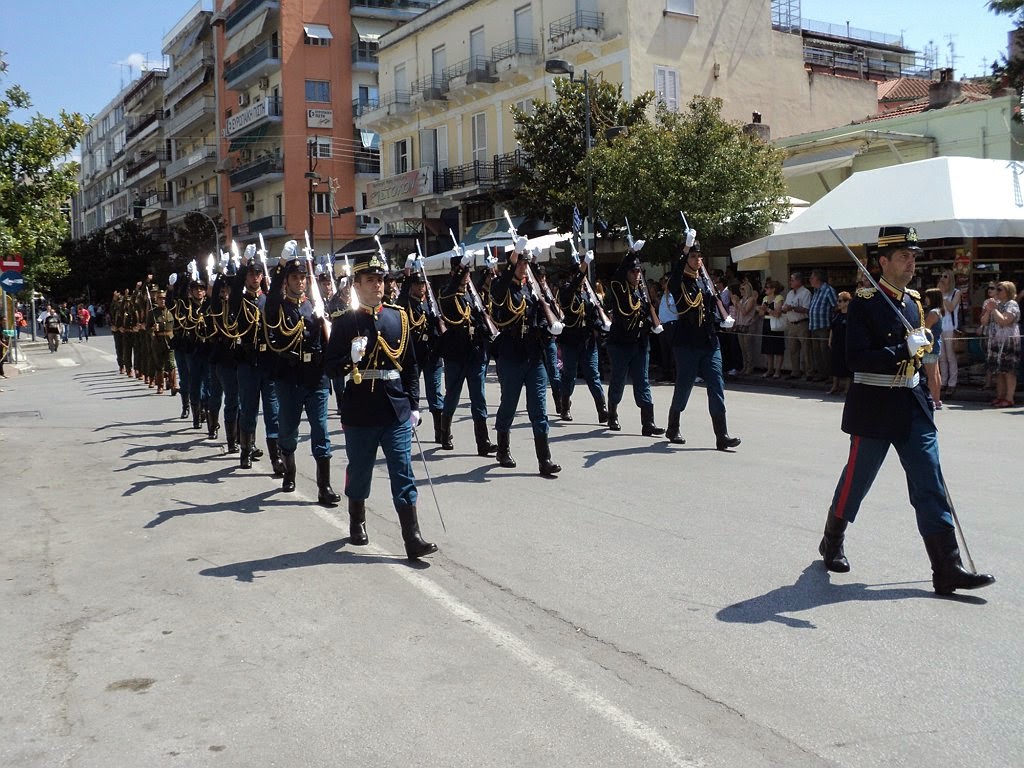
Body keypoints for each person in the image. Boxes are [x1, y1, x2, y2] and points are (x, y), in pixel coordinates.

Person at [818, 226, 994, 595]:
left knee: (930, 482)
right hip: (875, 405)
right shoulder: (865, 303)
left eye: (913, 256)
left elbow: (921, 353)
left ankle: (947, 568)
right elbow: (853, 359)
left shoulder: (914, 301)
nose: (911, 262)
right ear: (882, 261)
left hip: (912, 404)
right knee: (857, 480)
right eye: (903, 256)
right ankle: (832, 540)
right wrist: (900, 349)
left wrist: (927, 366)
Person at [324, 249, 437, 560]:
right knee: (360, 470)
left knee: (403, 471)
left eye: (380, 280)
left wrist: (414, 404)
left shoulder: (398, 317)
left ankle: (412, 537)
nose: (377, 285)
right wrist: (350, 358)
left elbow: (411, 365)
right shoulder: (346, 322)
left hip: (395, 407)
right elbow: (330, 366)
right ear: (357, 285)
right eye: (370, 280)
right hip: (360, 408)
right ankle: (357, 519)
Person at [264, 242, 339, 505]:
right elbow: (271, 299)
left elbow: (329, 339)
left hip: (315, 377)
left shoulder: (316, 305)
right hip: (289, 377)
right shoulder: (279, 307)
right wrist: (282, 264)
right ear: (287, 281)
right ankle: (290, 472)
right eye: (294, 277)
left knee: (321, 430)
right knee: (288, 430)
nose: (300, 281)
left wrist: (324, 318)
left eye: (302, 277)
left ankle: (324, 487)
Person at [488, 241, 562, 476]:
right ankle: (503, 448)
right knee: (509, 404)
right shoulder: (503, 286)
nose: (523, 266)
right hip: (512, 354)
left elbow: (542, 314)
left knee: (539, 408)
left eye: (525, 262)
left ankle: (545, 459)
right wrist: (511, 265)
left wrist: (546, 327)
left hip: (534, 355)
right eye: (519, 262)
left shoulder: (533, 289)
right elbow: (497, 295)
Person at [665, 231, 740, 450]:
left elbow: (709, 307)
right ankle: (673, 425)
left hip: (709, 341)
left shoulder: (705, 282)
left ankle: (721, 434)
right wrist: (685, 249)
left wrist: (722, 319)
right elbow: (677, 275)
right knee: (684, 386)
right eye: (692, 256)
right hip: (687, 342)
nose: (697, 260)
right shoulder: (679, 282)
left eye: (699, 257)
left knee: (717, 384)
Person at [437, 254, 496, 456]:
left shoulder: (472, 295)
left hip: (475, 353)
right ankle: (445, 433)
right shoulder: (447, 293)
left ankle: (483, 441)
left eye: (468, 272)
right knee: (452, 395)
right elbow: (449, 294)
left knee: (478, 397)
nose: (466, 276)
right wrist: (461, 268)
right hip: (455, 353)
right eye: (463, 272)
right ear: (455, 272)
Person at [605, 243, 664, 436]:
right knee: (618, 380)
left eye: (639, 271)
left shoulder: (642, 291)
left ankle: (648, 422)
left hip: (640, 343)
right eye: (633, 271)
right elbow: (617, 274)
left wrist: (653, 323)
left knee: (642, 381)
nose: (637, 274)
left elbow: (646, 313)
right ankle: (612, 414)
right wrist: (630, 254)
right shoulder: (618, 289)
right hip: (620, 343)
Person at [230, 254, 279, 473]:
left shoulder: (267, 300)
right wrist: (241, 268)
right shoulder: (240, 300)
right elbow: (232, 295)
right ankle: (246, 450)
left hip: (267, 362)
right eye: (251, 274)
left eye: (258, 274)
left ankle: (276, 456)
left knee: (272, 411)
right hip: (247, 362)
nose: (255, 278)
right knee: (248, 409)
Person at [396, 259, 446, 443]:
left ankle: (441, 432)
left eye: (423, 284)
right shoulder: (406, 303)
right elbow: (400, 300)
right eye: (418, 284)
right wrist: (407, 274)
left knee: (435, 393)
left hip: (431, 354)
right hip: (414, 354)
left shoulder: (431, 303)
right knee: (411, 391)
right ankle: (408, 426)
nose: (421, 288)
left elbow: (439, 327)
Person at [557, 250, 609, 423]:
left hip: (587, 340)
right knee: (569, 374)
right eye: (579, 274)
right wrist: (583, 267)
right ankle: (565, 407)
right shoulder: (566, 290)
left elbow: (594, 315)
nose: (582, 278)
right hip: (570, 339)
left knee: (593, 374)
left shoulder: (588, 293)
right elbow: (569, 296)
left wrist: (602, 325)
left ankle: (602, 410)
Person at [981, 280, 1020, 407]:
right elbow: (984, 321)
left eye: (999, 289)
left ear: (1008, 292)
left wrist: (994, 309)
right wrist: (988, 310)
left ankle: (1009, 398)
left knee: (1008, 370)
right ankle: (1000, 396)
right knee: (998, 370)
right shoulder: (994, 304)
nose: (996, 292)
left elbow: (1004, 321)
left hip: (1007, 341)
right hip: (994, 341)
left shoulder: (1012, 304)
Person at [807, 269, 837, 383]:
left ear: (818, 278)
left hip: (824, 326)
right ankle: (821, 373)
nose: (810, 280)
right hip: (814, 326)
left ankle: (830, 375)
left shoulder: (828, 290)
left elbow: (835, 307)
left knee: (825, 352)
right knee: (817, 352)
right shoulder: (815, 291)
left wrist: (832, 322)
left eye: (812, 277)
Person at [780, 271, 811, 378]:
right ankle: (795, 372)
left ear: (798, 281)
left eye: (792, 280)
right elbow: (784, 307)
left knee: (806, 350)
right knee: (793, 350)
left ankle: (809, 372)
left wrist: (792, 308)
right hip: (791, 324)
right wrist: (784, 308)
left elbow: (806, 309)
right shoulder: (789, 293)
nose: (790, 282)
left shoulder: (806, 292)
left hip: (802, 323)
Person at [936, 269, 961, 397]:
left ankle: (952, 383)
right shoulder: (938, 293)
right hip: (940, 326)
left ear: (950, 278)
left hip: (951, 327)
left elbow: (951, 307)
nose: (942, 278)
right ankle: (943, 382)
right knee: (942, 357)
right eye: (941, 276)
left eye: (945, 276)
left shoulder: (956, 292)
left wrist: (943, 295)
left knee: (951, 356)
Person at [919, 288, 944, 407]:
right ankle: (937, 399)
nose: (926, 299)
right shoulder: (938, 311)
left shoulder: (933, 313)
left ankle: (932, 399)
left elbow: (924, 328)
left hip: (930, 346)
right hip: (936, 345)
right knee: (936, 373)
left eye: (928, 297)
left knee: (931, 374)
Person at [756, 279, 785, 378]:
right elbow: (761, 314)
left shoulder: (779, 298)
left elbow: (777, 313)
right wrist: (761, 310)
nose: (765, 289)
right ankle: (769, 369)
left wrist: (767, 309)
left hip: (775, 324)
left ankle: (778, 370)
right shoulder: (765, 298)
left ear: (773, 289)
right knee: (768, 348)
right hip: (767, 323)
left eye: (767, 288)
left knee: (778, 348)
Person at [827, 291, 853, 396]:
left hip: (846, 343)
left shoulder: (851, 316)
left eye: (841, 301)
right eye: (838, 301)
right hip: (836, 342)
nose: (838, 303)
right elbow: (832, 328)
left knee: (846, 366)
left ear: (847, 302)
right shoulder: (837, 314)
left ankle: (847, 388)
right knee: (835, 364)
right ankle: (834, 386)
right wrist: (830, 340)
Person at [732, 277, 758, 375]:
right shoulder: (742, 300)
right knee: (742, 348)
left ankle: (750, 367)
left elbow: (745, 312)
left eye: (743, 289)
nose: (741, 291)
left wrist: (738, 303)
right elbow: (738, 312)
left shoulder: (751, 299)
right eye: (740, 289)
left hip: (748, 325)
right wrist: (736, 303)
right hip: (740, 325)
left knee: (748, 348)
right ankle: (744, 366)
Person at [657, 274, 678, 382]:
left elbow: (672, 307)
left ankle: (675, 374)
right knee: (665, 351)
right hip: (664, 325)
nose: (663, 284)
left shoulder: (673, 295)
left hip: (672, 324)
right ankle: (667, 373)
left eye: (666, 282)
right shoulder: (664, 295)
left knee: (672, 351)